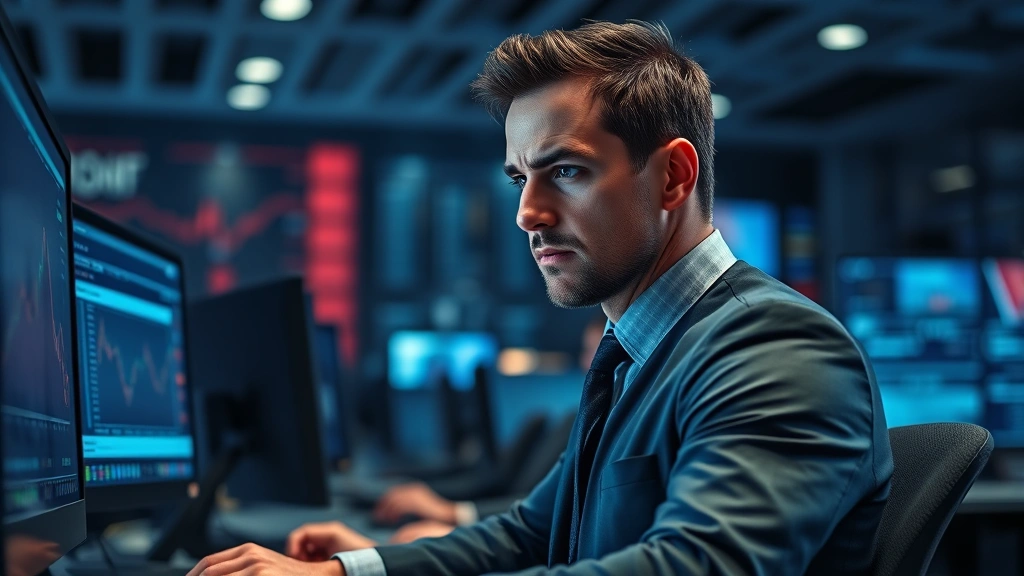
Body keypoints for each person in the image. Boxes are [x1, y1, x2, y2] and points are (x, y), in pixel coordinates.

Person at [187, 20, 892, 576]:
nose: (528, 212)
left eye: (565, 171)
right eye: (519, 179)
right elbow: (532, 532)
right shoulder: (638, 354)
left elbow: (692, 567)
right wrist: (349, 571)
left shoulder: (775, 349)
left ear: (673, 177)